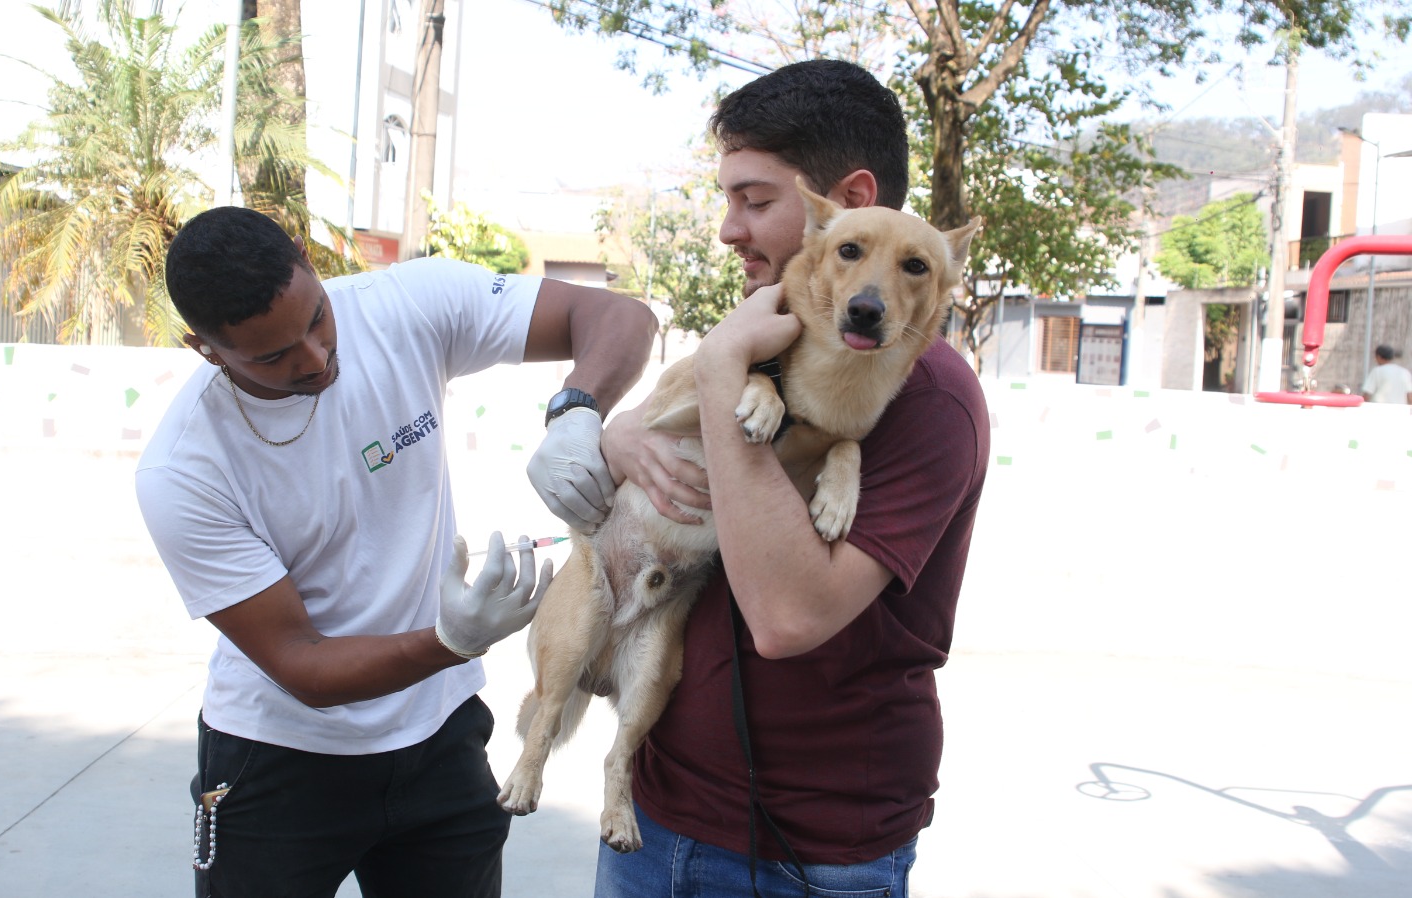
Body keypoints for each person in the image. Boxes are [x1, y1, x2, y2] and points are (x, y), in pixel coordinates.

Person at [136, 206, 656, 898]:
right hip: (280, 760)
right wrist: (453, 639)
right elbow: (303, 666)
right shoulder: (185, 470)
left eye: (317, 318)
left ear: (306, 258)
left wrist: (578, 409)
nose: (316, 359)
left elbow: (620, 316)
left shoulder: (404, 304)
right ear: (204, 349)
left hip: (439, 739)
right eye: (272, 356)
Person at [595, 59, 990, 897]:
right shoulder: (773, 340)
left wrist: (717, 378)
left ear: (845, 202)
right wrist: (614, 435)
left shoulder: (929, 399)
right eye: (728, 200)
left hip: (806, 856)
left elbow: (785, 617)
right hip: (658, 815)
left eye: (755, 200)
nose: (729, 230)